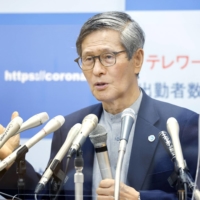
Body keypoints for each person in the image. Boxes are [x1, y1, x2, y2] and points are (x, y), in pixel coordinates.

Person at [0, 11, 199, 200]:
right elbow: (47, 196)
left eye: (108, 57)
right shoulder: (70, 129)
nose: (97, 70)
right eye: (88, 59)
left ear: (137, 60)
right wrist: (8, 162)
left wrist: (139, 198)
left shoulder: (181, 125)